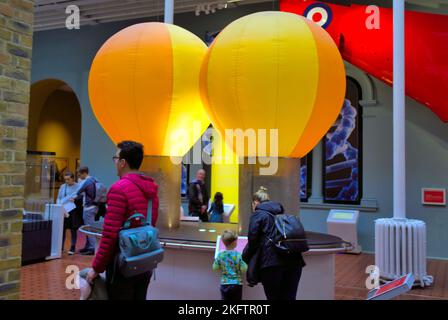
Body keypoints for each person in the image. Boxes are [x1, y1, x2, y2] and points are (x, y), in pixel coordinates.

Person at [86, 140, 159, 300]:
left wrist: (96, 268)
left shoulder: (118, 189)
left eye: (115, 158)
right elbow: (151, 223)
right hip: (145, 261)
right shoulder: (151, 190)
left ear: (123, 163)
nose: (115, 162)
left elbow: (110, 235)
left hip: (123, 263)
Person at [242, 186, 306, 300]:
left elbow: (252, 241)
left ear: (255, 202)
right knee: (289, 297)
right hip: (295, 261)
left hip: (272, 264)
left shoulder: (258, 214)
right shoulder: (281, 214)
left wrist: (245, 257)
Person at [69, 166, 98, 256]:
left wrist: (73, 198)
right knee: (89, 227)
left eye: (79, 174)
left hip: (88, 208)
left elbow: (78, 192)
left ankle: (93, 248)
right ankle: (89, 247)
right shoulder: (93, 180)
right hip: (93, 207)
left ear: (84, 173)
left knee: (89, 228)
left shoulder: (87, 181)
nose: (78, 176)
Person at [213, 230, 247, 300]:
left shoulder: (220, 255)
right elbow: (244, 269)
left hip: (224, 283)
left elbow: (215, 268)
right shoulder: (238, 255)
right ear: (234, 242)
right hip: (237, 284)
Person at [56, 171, 83, 255]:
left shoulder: (78, 186)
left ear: (72, 178)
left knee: (73, 229)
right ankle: (60, 247)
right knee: (62, 229)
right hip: (64, 209)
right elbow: (58, 198)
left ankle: (72, 247)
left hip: (73, 210)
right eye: (65, 180)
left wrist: (76, 199)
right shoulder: (63, 186)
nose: (67, 181)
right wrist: (58, 205)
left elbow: (81, 197)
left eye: (68, 179)